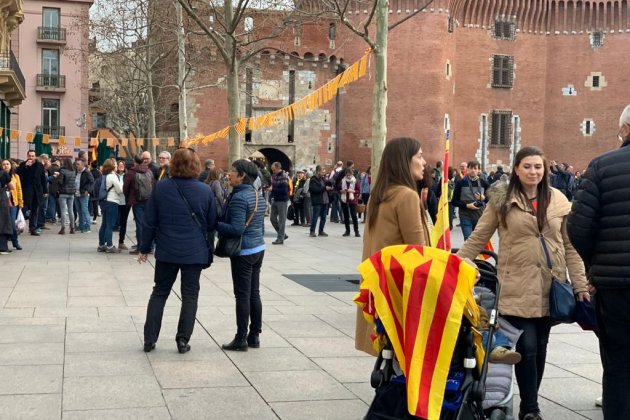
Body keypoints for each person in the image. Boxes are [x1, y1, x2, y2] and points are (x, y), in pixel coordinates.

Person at [456, 146, 589, 420]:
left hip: (550, 286)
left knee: (540, 348)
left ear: (545, 169)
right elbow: (479, 236)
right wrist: (456, 263)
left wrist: (580, 284)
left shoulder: (558, 200)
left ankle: (531, 401)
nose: (533, 171)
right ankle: (531, 409)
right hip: (515, 286)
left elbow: (570, 246)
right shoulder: (502, 200)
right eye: (527, 166)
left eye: (538, 166)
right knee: (526, 347)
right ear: (516, 169)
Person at [567, 105, 630, 420]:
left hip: (615, 287)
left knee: (618, 365)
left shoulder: (603, 166)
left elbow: (577, 227)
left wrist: (596, 264)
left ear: (626, 129)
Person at [356, 137, 431, 355]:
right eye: (419, 156)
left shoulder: (379, 195)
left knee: (390, 352)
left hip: (380, 282)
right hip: (402, 287)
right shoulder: (406, 195)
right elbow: (419, 250)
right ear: (405, 161)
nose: (424, 162)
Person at [139, 148, 217, 354]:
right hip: (194, 251)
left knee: (159, 292)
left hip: (167, 249)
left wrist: (144, 248)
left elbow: (149, 221)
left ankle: (149, 338)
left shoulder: (161, 188)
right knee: (190, 296)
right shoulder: (205, 190)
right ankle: (183, 339)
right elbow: (211, 224)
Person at [218, 159, 267, 351]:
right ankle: (254, 335)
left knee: (242, 295)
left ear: (242, 176)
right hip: (257, 248)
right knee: (254, 293)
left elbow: (236, 229)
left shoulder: (239, 198)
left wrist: (215, 224)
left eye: (232, 171)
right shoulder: (257, 195)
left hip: (244, 252)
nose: (229, 174)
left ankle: (241, 338)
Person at [452, 160, 490, 240]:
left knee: (478, 241)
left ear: (479, 170)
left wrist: (484, 199)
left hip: (480, 217)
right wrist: (467, 205)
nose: (473, 170)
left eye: (475, 168)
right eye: (471, 168)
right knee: (468, 239)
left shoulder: (484, 183)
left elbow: (492, 198)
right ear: (468, 169)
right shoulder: (461, 183)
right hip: (465, 216)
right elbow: (454, 201)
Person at [124, 154, 154, 254]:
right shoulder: (149, 171)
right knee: (148, 223)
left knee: (140, 224)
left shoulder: (131, 172)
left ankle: (141, 247)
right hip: (148, 200)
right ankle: (149, 246)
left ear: (134, 161)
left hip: (136, 201)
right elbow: (152, 185)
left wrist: (129, 198)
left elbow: (125, 188)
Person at [16, 150, 48, 236]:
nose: (31, 157)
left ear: (35, 156)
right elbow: (17, 173)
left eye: (33, 156)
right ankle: (19, 227)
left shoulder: (39, 165)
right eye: (30, 156)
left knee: (35, 210)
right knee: (23, 209)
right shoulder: (23, 164)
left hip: (37, 191)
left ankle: (32, 228)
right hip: (26, 191)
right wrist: (25, 166)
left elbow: (43, 179)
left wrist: (45, 191)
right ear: (27, 156)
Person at [97, 159, 124, 253]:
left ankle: (101, 245)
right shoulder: (113, 176)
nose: (117, 166)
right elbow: (120, 190)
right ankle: (109, 245)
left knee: (104, 224)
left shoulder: (104, 176)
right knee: (110, 225)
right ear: (112, 166)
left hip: (105, 202)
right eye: (115, 164)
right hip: (112, 201)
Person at [2, 159, 23, 250]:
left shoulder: (15, 177)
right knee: (4, 224)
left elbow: (18, 189)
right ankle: (4, 243)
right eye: (4, 164)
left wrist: (20, 202)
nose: (6, 166)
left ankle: (15, 242)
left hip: (12, 203)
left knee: (12, 224)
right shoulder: (1, 175)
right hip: (2, 203)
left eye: (7, 164)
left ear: (11, 166)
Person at [55, 159, 77, 235]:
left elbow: (60, 182)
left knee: (63, 211)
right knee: (71, 210)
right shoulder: (73, 171)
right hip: (71, 193)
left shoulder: (62, 171)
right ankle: (73, 228)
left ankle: (63, 228)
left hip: (63, 193)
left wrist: (57, 178)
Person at [269, 162, 289, 245]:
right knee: (272, 218)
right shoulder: (274, 176)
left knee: (282, 220)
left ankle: (280, 238)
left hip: (282, 200)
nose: (273, 171)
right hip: (275, 199)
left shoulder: (284, 176)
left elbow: (284, 190)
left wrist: (272, 189)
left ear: (278, 167)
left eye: (273, 169)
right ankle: (282, 234)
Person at [308, 165, 330, 237]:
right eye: (322, 171)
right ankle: (312, 231)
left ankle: (321, 231)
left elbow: (325, 186)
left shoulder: (323, 179)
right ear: (318, 171)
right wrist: (324, 188)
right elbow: (314, 190)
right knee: (315, 216)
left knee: (323, 217)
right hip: (318, 201)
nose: (324, 172)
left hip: (325, 200)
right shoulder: (313, 179)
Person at [74, 159, 94, 233]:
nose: (77, 166)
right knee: (79, 211)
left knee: (84, 210)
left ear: (82, 165)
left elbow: (92, 182)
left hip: (83, 194)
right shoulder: (76, 172)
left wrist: (87, 190)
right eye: (76, 164)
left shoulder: (87, 173)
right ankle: (81, 226)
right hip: (76, 194)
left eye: (78, 164)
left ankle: (88, 226)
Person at [340, 168, 361, 237]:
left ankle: (356, 231)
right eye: (347, 175)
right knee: (346, 216)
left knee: (354, 215)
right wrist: (342, 191)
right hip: (344, 199)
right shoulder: (343, 180)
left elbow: (358, 190)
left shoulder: (355, 181)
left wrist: (352, 191)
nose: (349, 176)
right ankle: (347, 231)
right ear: (345, 174)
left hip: (352, 199)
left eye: (350, 175)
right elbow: (339, 188)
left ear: (352, 174)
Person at [114, 160, 130, 250]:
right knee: (114, 221)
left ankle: (121, 241)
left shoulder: (127, 176)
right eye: (119, 165)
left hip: (125, 202)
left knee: (123, 222)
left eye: (122, 165)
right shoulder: (114, 176)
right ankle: (109, 242)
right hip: (115, 201)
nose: (121, 166)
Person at [0, 163, 15, 253]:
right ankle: (2, 246)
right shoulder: (3, 173)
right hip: (1, 199)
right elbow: (12, 186)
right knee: (3, 221)